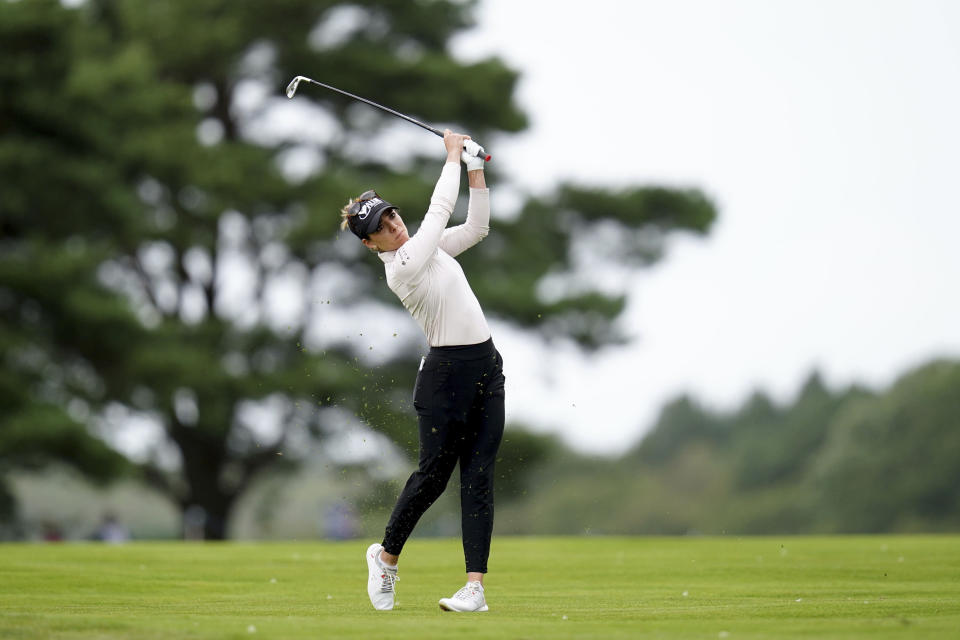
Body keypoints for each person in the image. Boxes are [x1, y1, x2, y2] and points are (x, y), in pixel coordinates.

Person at [341, 131, 505, 612]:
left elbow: (475, 228)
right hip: (444, 378)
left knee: (478, 476)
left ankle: (474, 587)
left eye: (391, 215)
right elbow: (437, 213)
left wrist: (476, 169)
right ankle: (386, 559)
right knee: (434, 476)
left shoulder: (430, 251)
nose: (393, 225)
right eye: (382, 227)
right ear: (371, 245)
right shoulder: (404, 265)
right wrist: (452, 155)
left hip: (486, 368)